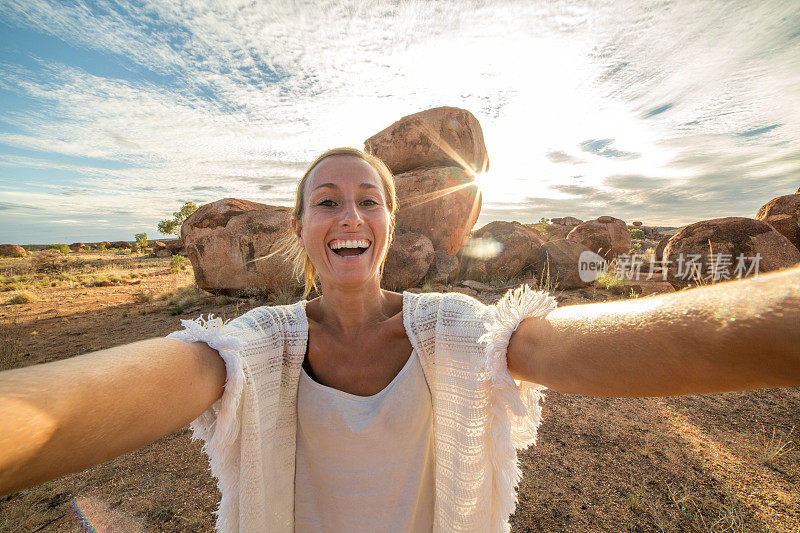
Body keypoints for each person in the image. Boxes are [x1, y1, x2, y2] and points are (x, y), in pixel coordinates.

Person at [0, 147, 798, 532]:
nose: (349, 215)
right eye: (326, 200)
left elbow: (556, 346)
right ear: (301, 227)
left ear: (390, 221)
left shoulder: (450, 327)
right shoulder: (256, 344)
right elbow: (136, 384)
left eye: (368, 200)